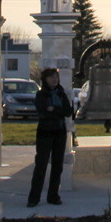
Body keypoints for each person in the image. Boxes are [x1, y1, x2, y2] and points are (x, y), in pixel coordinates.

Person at [27, 67, 73, 208]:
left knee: (57, 166)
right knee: (41, 166)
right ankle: (34, 198)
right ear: (45, 79)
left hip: (59, 133)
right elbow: (42, 112)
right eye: (51, 77)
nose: (54, 79)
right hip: (45, 133)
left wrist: (54, 109)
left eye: (56, 77)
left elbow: (68, 111)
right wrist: (54, 111)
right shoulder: (41, 95)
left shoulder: (61, 93)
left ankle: (53, 195)